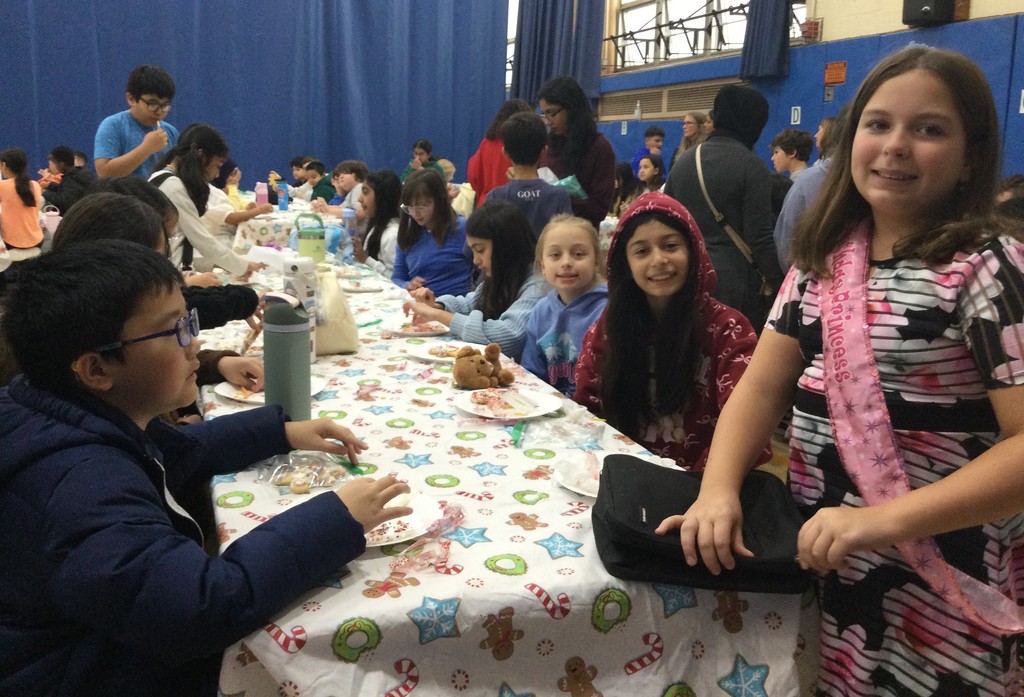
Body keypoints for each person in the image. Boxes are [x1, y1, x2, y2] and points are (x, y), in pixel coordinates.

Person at [661, 46, 1023, 697]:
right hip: (826, 562)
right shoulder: (820, 263)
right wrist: (717, 488)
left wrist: (877, 522)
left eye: (929, 128)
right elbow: (761, 389)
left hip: (940, 581)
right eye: (878, 124)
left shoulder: (987, 268)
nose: (896, 145)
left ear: (972, 156)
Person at [0, 239, 411, 696]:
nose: (195, 343)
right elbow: (197, 608)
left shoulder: (54, 409)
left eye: (189, 321)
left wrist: (281, 432)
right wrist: (337, 518)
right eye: (174, 330)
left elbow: (176, 452)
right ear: (96, 369)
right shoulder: (80, 481)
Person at [574, 192, 768, 471]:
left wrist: (702, 482)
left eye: (670, 246)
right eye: (642, 251)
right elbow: (588, 407)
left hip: (702, 484)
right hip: (620, 475)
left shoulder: (728, 330)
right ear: (625, 263)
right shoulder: (611, 324)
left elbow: (748, 427)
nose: (658, 259)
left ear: (694, 251)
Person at [664, 84, 784, 331]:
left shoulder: (684, 161)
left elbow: (667, 220)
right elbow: (759, 236)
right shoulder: (753, 167)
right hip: (734, 282)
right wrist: (780, 283)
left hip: (687, 273)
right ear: (753, 123)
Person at [403, 199, 546, 361]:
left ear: (506, 246)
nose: (475, 260)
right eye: (473, 251)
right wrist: (436, 305)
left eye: (480, 250)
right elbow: (471, 303)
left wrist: (437, 314)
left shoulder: (538, 287)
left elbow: (508, 338)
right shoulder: (505, 275)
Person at [150, 123, 263, 279]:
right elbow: (200, 238)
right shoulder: (174, 187)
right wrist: (242, 266)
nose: (217, 175)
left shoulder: (162, 177)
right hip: (167, 274)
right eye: (218, 166)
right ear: (201, 155)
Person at [521, 214, 607, 396]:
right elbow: (531, 374)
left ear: (596, 262)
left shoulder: (607, 311)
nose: (566, 262)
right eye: (555, 255)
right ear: (543, 266)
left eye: (578, 254)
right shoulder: (540, 311)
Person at [772, 106, 849, 268]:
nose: (816, 134)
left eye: (776, 152)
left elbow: (785, 239)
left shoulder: (806, 182)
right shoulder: (812, 177)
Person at [537, 75, 616, 229]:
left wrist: (556, 199)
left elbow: (600, 207)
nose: (548, 121)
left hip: (581, 233)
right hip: (548, 232)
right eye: (544, 115)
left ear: (571, 108)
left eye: (552, 113)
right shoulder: (548, 145)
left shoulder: (600, 148)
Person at [487, 112, 572, 240]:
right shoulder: (559, 196)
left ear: (505, 153)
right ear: (544, 152)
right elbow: (568, 238)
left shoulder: (495, 197)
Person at [391, 168, 473, 297]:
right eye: (410, 207)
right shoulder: (409, 231)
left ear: (439, 200)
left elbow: (483, 272)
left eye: (422, 206)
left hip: (453, 304)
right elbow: (397, 278)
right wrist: (408, 285)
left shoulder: (461, 228)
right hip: (418, 302)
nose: (415, 213)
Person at [94, 64, 179, 179]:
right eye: (152, 104)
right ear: (131, 99)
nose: (159, 112)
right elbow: (104, 173)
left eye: (165, 106)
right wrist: (146, 149)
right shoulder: (113, 125)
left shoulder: (171, 132)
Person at [467, 98, 533, 205]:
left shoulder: (487, 142)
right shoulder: (525, 143)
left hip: (487, 203)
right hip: (515, 204)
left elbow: (473, 175)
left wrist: (483, 193)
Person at [201, 158, 274, 251]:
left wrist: (247, 207)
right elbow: (231, 217)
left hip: (223, 238)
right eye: (232, 174)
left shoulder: (218, 190)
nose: (217, 174)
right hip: (217, 241)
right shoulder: (211, 192)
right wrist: (259, 210)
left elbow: (234, 205)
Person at [0, 147, 44, 288]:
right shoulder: (35, 185)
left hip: (13, 243)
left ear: (4, 165)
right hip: (37, 241)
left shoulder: (3, 186)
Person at [352, 169, 401, 277]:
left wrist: (366, 259)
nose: (360, 199)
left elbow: (396, 278)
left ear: (382, 197)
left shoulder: (392, 235)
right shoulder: (377, 225)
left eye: (365, 192)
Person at [40, 145, 95, 214]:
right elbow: (67, 189)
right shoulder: (78, 173)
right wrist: (50, 185)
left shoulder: (72, 178)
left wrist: (45, 193)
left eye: (51, 164)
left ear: (61, 164)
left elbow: (63, 202)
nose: (49, 167)